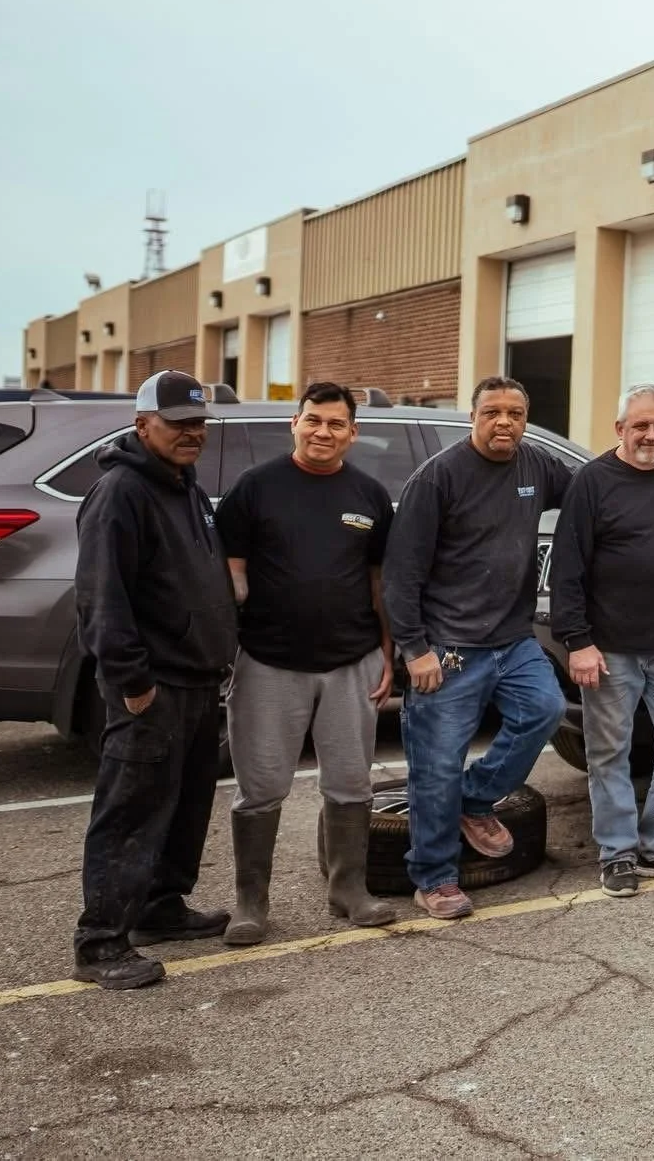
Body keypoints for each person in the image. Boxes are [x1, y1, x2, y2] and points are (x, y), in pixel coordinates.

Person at [382, 376, 575, 920]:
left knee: (546, 710)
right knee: (436, 765)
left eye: (515, 413)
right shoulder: (438, 477)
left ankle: (474, 798)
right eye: (492, 412)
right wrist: (414, 649)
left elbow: (590, 492)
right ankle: (434, 877)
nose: (504, 422)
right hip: (448, 645)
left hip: (512, 639)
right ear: (473, 417)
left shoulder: (536, 465)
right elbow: (401, 572)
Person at [71, 370, 237, 990]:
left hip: (197, 679)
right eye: (178, 423)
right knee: (131, 813)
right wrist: (132, 682)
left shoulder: (185, 487)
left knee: (186, 806)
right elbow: (101, 597)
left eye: (198, 423)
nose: (192, 433)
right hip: (154, 685)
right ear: (143, 426)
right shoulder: (121, 493)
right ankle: (100, 944)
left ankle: (160, 907)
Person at [216, 382, 395, 945]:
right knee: (261, 786)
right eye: (313, 420)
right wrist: (226, 649)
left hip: (351, 661)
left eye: (336, 423)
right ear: (294, 423)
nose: (323, 431)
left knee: (351, 782)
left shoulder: (369, 495)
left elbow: (379, 584)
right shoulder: (254, 488)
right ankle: (251, 903)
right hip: (267, 662)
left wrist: (387, 655)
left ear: (353, 433)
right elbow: (231, 577)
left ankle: (349, 890)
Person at [550, 384, 654, 897]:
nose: (651, 434)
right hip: (608, 647)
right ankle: (617, 854)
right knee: (608, 752)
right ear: (620, 429)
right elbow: (567, 567)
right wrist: (577, 641)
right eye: (640, 425)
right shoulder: (592, 482)